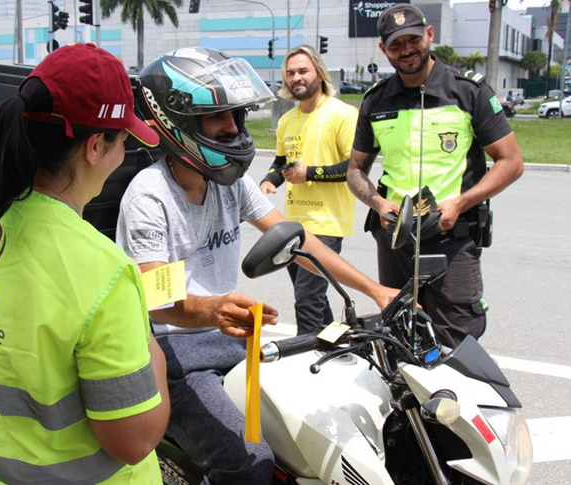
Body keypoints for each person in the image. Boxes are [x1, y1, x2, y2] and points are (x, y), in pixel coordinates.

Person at [117, 47, 398, 484]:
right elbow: (156, 298)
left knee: (318, 430)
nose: (232, 128)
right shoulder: (151, 197)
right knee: (249, 463)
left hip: (233, 342)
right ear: (179, 124)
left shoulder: (229, 183)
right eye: (217, 118)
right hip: (173, 354)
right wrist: (213, 309)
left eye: (236, 115)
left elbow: (300, 239)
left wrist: (376, 291)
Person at [0, 43, 170, 484]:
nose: (124, 157)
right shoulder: (103, 272)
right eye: (124, 142)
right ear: (95, 147)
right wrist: (145, 336)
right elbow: (134, 440)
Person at [346, 3, 524, 348]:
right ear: (384, 50)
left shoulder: (467, 91)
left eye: (413, 39)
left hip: (451, 238)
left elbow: (510, 162)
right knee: (399, 335)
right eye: (395, 45)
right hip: (396, 239)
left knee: (457, 338)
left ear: (430, 35)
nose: (407, 50)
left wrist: (462, 201)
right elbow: (355, 169)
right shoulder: (376, 101)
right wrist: (377, 202)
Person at [259, 44, 359, 335]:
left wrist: (311, 173)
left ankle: (308, 361)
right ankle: (335, 343)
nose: (296, 78)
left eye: (303, 70)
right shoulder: (288, 119)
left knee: (307, 299)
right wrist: (270, 180)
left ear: (319, 72)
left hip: (327, 223)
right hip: (294, 224)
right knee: (313, 297)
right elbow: (281, 161)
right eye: (290, 73)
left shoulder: (342, 114)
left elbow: (353, 168)